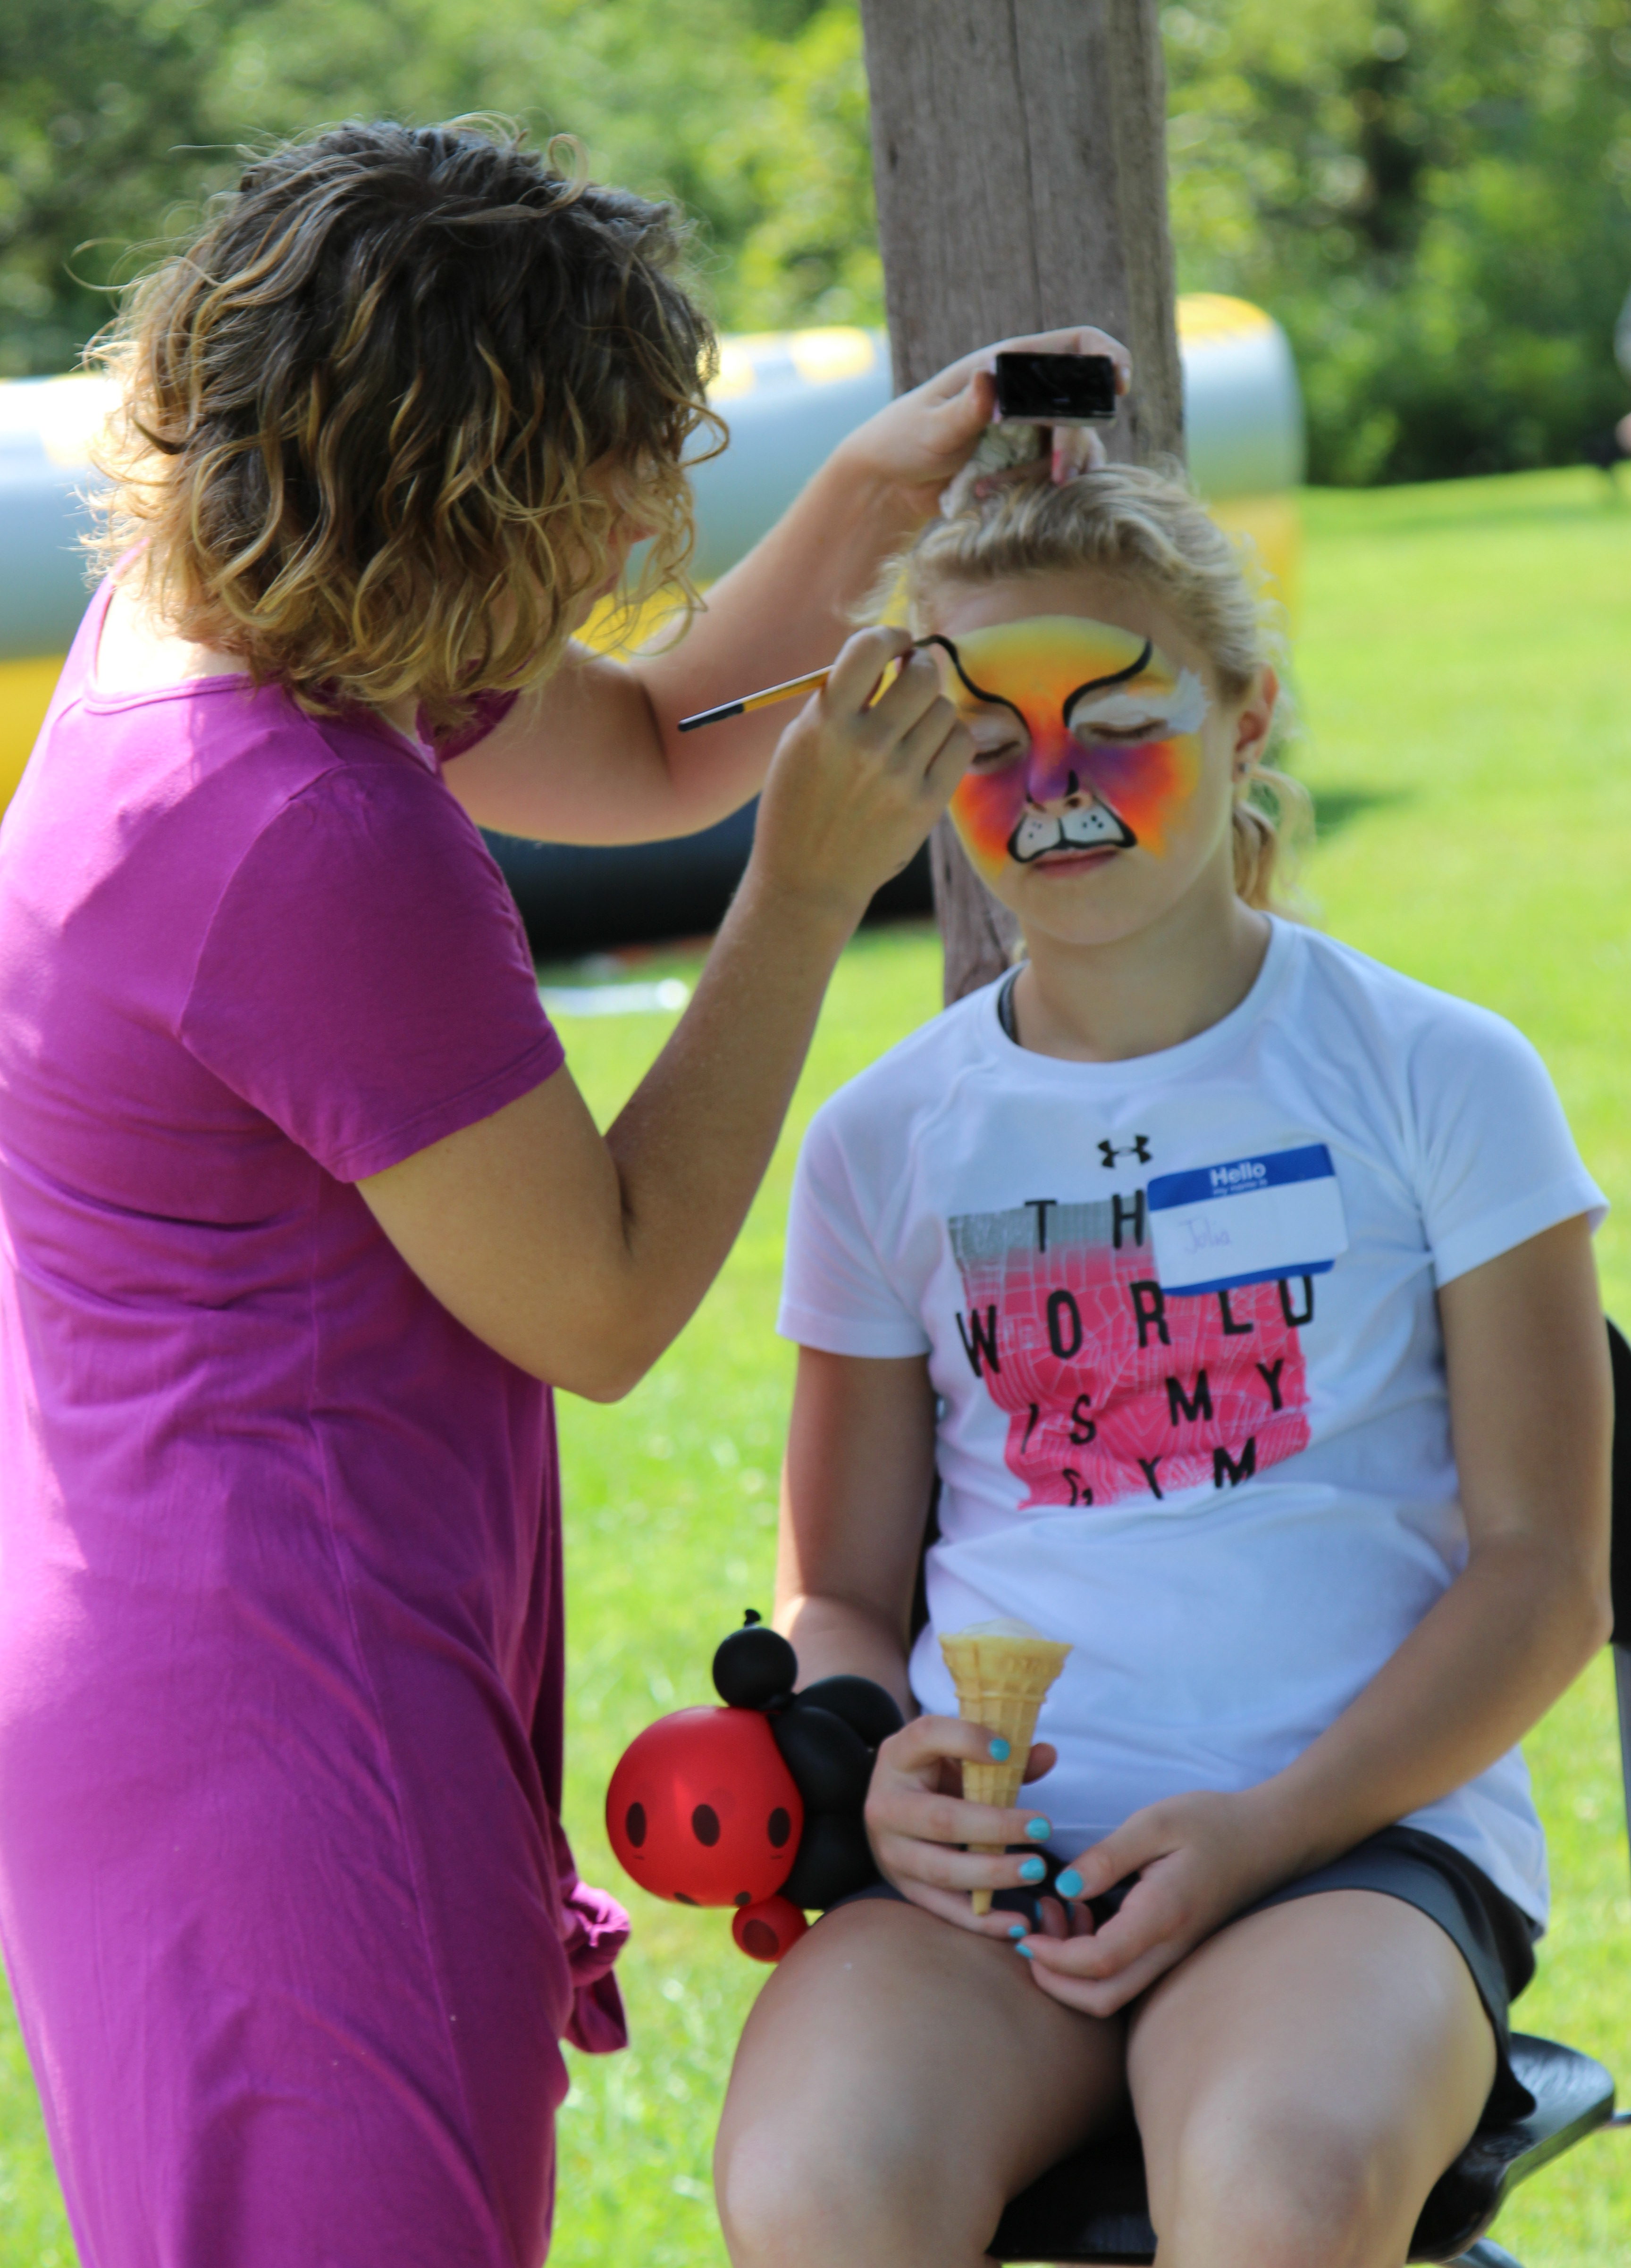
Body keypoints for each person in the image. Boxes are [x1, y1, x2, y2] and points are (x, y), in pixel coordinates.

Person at [0, 116, 1126, 2268]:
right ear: (467, 486)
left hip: (159, 1662)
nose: (650, 518)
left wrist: (865, 505)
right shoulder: (307, 835)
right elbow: (600, 1309)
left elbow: (646, 741)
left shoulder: (209, 633)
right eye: (616, 471)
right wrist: (800, 897)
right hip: (286, 1707)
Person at [714, 460, 1613, 2268]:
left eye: (1120, 725)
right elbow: (842, 1592)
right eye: (984, 742)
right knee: (818, 2197)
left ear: (1248, 708)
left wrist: (1274, 1824)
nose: (1050, 790)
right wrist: (872, 1749)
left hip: (1355, 1843)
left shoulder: (1437, 1076)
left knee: (1279, 2194)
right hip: (991, 1882)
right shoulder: (886, 1143)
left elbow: (1545, 1578)